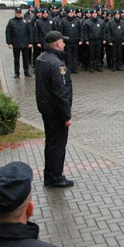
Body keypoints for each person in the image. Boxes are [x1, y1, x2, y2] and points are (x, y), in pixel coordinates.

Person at [35, 31, 74, 187]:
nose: (64, 44)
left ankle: (50, 174)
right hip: (56, 112)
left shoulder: (41, 59)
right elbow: (61, 92)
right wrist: (67, 116)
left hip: (46, 109)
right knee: (57, 145)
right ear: (58, 44)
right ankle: (55, 177)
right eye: (62, 42)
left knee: (50, 143)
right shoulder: (57, 64)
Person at [5, 7, 32, 78]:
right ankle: (17, 73)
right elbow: (8, 32)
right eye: (17, 13)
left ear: (21, 13)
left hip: (25, 43)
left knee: (25, 59)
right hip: (15, 43)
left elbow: (30, 32)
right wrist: (9, 43)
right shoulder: (11, 21)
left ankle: (26, 72)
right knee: (16, 59)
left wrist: (30, 42)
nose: (18, 14)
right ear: (15, 13)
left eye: (20, 13)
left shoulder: (26, 21)